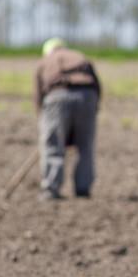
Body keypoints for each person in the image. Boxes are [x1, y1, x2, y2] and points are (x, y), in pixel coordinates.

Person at [34, 38, 102, 200]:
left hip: (57, 96)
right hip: (87, 96)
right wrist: (93, 109)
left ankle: (51, 188)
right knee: (85, 146)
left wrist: (43, 120)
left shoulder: (44, 61)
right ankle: (83, 189)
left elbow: (38, 95)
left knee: (53, 145)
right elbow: (98, 86)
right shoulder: (80, 56)